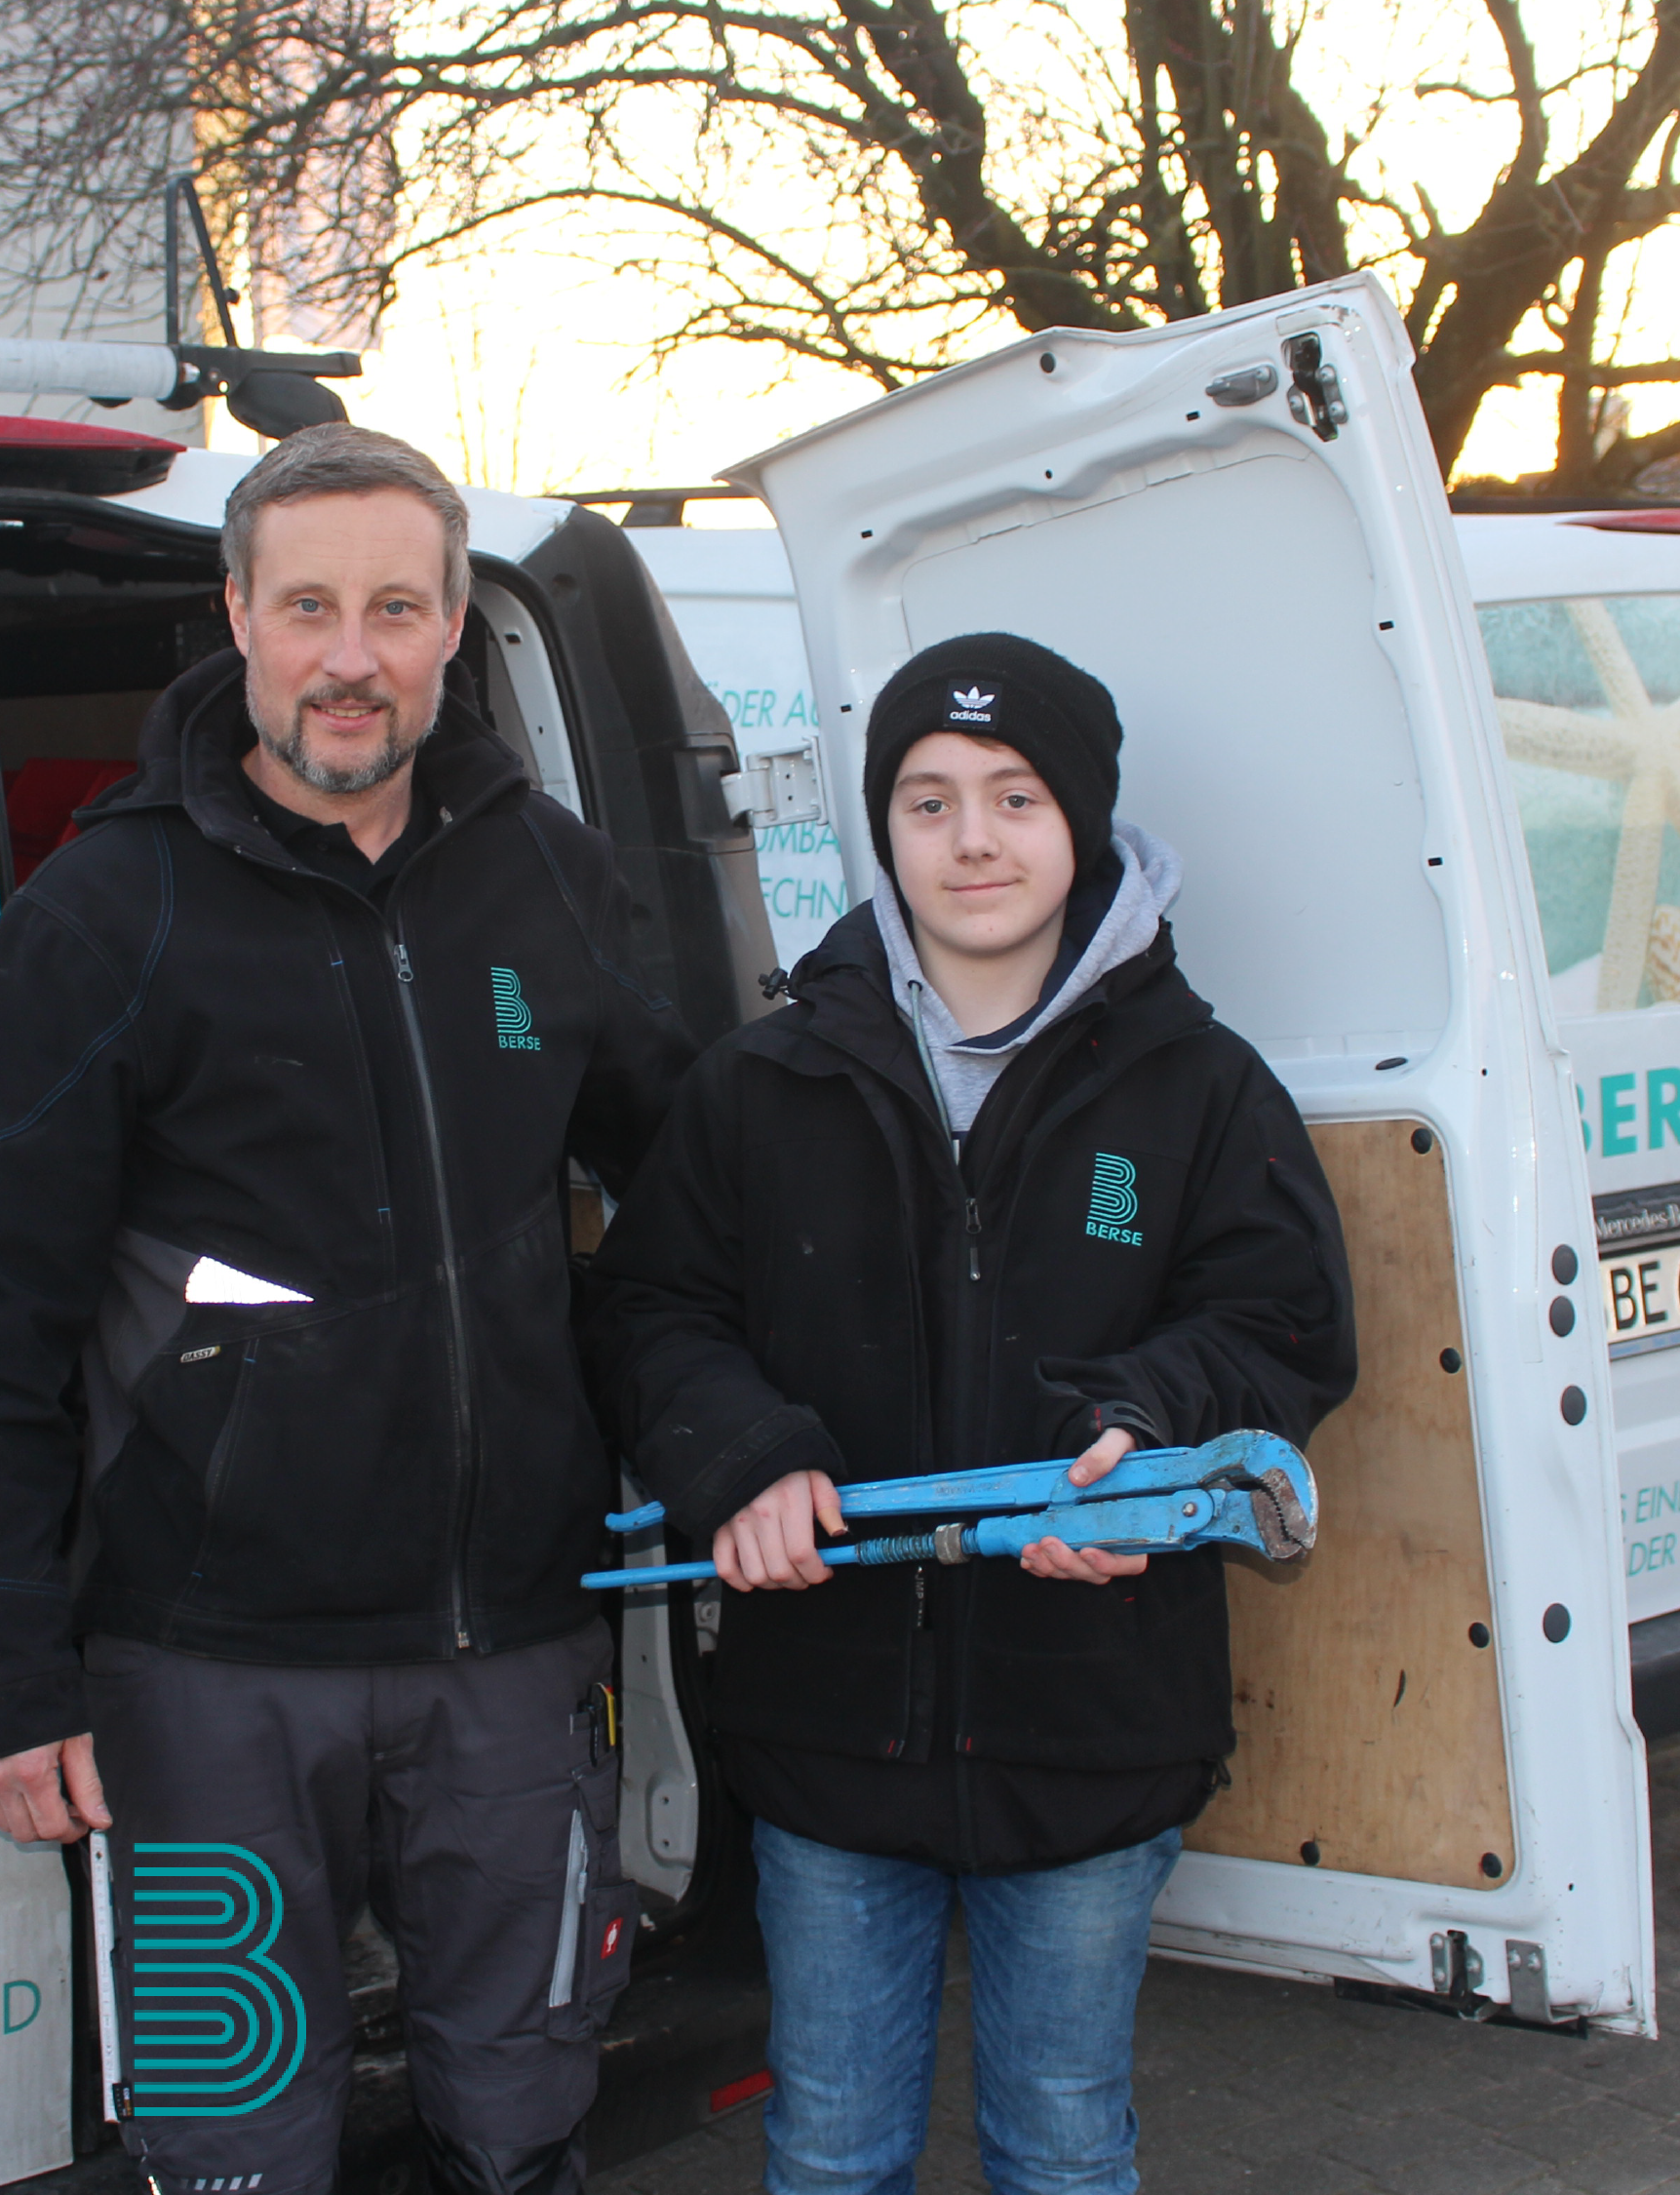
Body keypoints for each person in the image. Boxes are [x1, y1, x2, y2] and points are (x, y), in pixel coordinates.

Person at [0, 425, 690, 2195]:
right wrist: (2, 1670)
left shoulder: (548, 880)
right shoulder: (101, 914)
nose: (349, 654)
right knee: (229, 2146)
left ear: (445, 628)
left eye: (394, 607)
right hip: (202, 1677)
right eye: (307, 607)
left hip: (507, 1653)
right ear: (236, 618)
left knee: (521, 2116)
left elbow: (695, 1189)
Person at [581, 632, 1355, 2195]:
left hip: (1090, 1724)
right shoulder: (763, 1081)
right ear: (883, 834)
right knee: (831, 2146)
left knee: (1062, 2140)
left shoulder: (1196, 1086)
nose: (974, 839)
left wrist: (1147, 1431)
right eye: (926, 803)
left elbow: (1281, 1325)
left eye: (1014, 796)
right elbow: (653, 1309)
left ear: (1081, 820)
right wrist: (740, 1460)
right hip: (824, 1725)